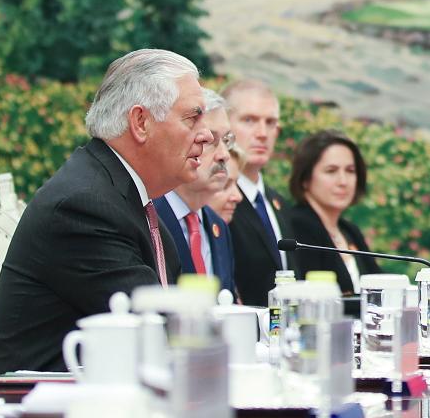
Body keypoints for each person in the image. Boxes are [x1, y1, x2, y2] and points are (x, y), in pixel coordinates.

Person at [0, 49, 213, 380]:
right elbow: (157, 329)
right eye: (193, 118)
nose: (207, 134)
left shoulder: (128, 200)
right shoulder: (83, 206)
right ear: (141, 122)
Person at [153, 90, 238, 298]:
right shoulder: (148, 217)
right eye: (209, 141)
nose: (224, 155)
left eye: (226, 140)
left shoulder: (218, 226)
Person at [282, 130, 381, 296]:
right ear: (305, 179)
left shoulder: (349, 230)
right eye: (331, 171)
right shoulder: (298, 225)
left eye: (350, 171)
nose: (343, 181)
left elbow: (378, 286)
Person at [223, 78, 289, 306]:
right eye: (249, 120)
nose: (262, 133)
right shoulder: (215, 198)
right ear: (224, 125)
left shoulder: (279, 203)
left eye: (270, 122)